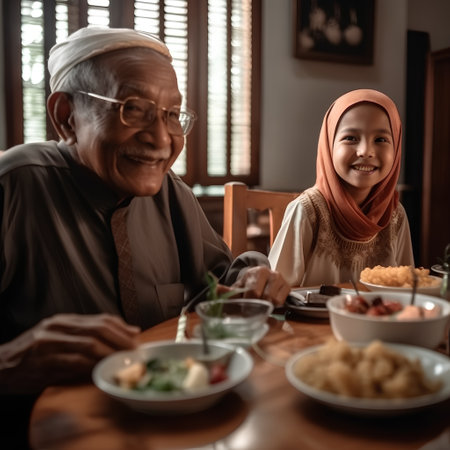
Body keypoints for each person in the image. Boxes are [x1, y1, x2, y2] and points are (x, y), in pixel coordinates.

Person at [0, 27, 290, 448]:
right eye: (133, 108)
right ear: (66, 116)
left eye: (173, 115)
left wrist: (255, 277)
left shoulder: (171, 192)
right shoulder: (15, 186)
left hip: (171, 429)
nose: (161, 139)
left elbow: (222, 281)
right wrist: (11, 362)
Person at [269, 89, 414, 287]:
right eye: (351, 138)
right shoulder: (308, 211)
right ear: (329, 145)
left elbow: (407, 289)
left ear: (396, 148)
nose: (365, 151)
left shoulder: (395, 215)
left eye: (380, 140)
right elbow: (274, 294)